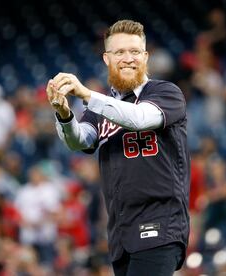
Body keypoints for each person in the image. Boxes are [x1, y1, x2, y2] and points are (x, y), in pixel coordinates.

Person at [46, 20, 190, 276]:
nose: (128, 58)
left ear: (145, 56)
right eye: (119, 52)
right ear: (106, 58)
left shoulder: (166, 92)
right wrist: (64, 114)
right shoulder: (101, 107)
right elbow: (79, 140)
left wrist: (86, 94)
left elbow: (138, 118)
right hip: (121, 229)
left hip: (160, 221)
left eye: (135, 51)